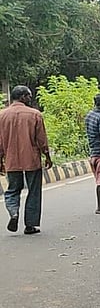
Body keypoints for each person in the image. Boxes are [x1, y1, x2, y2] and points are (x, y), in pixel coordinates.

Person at [0, 85, 52, 234]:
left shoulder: (2, 115)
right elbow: (41, 140)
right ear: (22, 97)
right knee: (34, 191)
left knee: (12, 190)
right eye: (29, 95)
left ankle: (13, 212)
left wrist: (0, 160)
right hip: (32, 159)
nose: (31, 98)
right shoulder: (35, 114)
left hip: (11, 160)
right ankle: (30, 225)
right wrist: (47, 156)